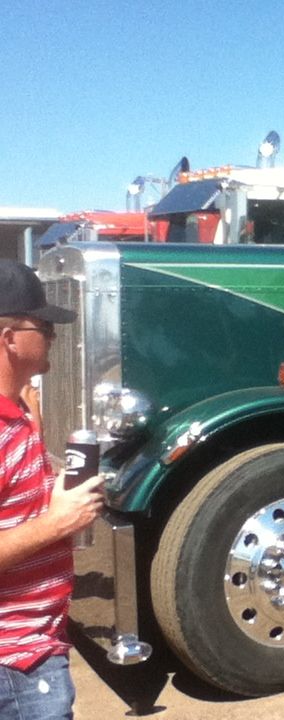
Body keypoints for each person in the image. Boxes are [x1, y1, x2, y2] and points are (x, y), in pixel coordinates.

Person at [0, 259, 104, 720]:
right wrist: (58, 522)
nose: (54, 337)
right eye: (43, 326)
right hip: (16, 664)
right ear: (9, 339)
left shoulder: (16, 414)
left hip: (33, 649)